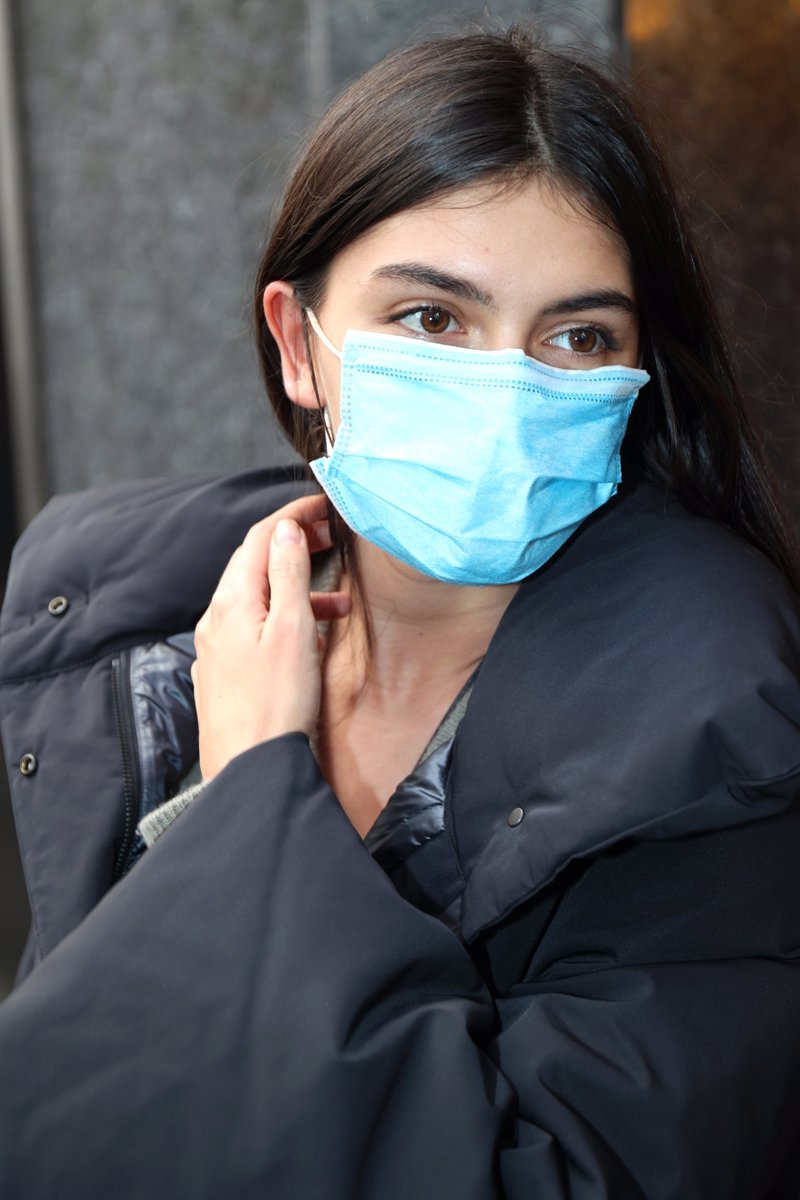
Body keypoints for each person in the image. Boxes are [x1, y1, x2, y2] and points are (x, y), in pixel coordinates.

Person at [0, 24, 798, 1200]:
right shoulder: (138, 637)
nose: (507, 389)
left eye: (576, 337)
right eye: (431, 318)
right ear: (298, 344)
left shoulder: (727, 732)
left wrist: (252, 790)